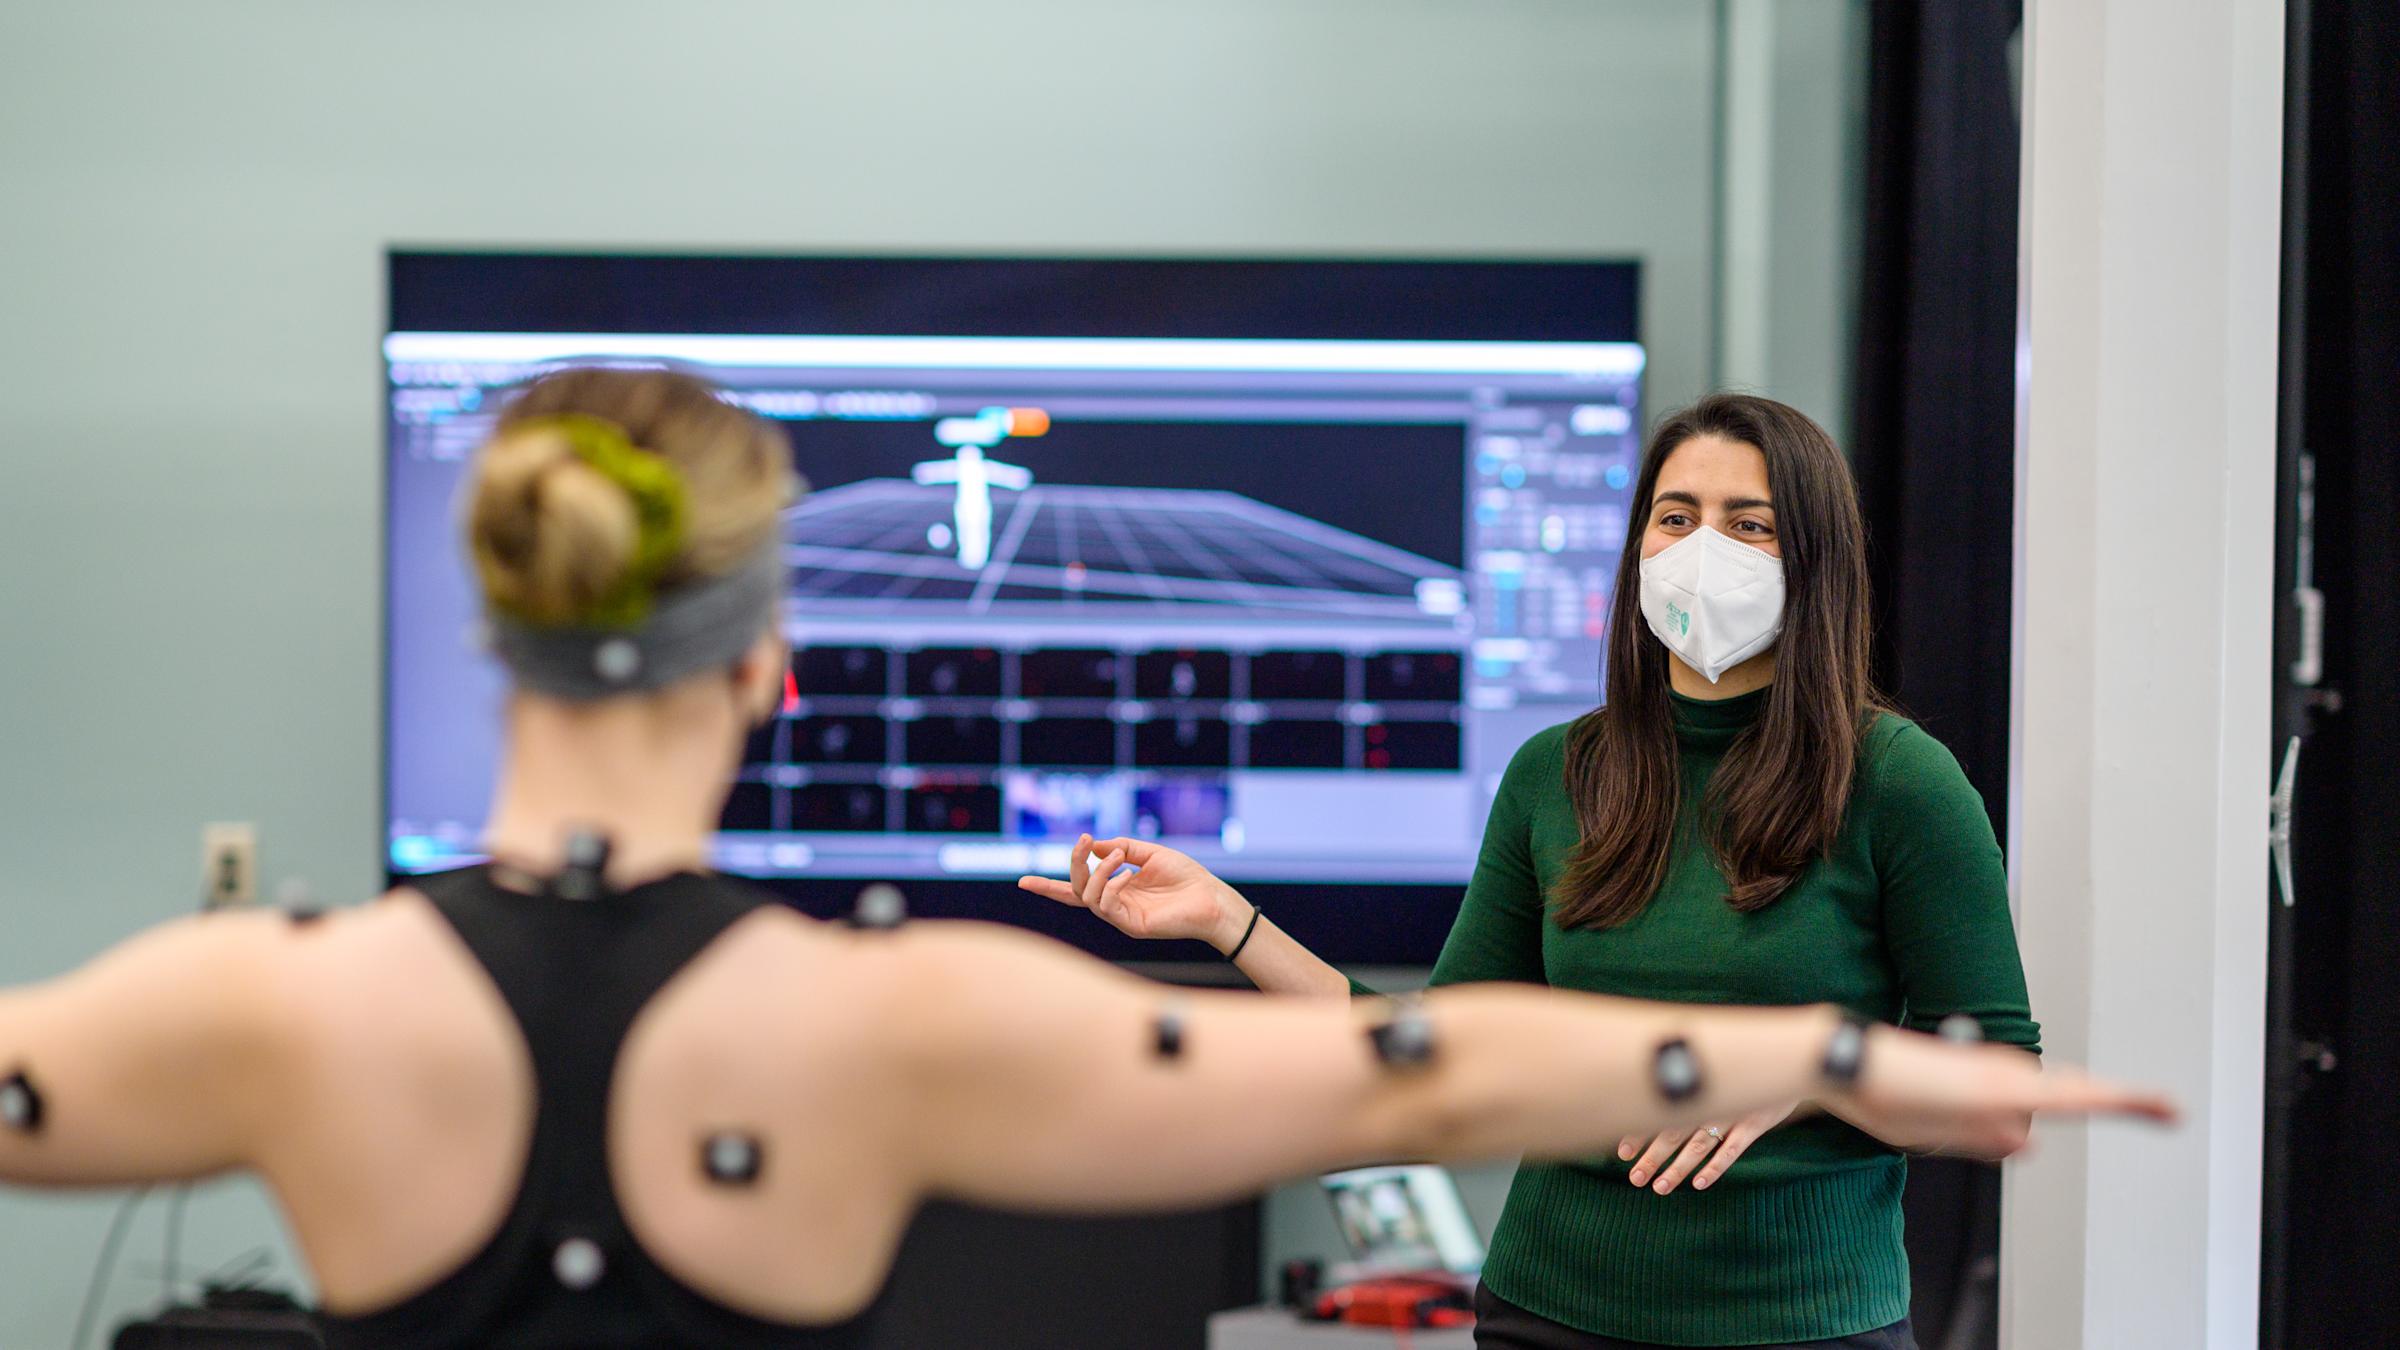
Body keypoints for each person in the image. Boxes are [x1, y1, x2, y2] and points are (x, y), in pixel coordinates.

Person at [0, 372, 2167, 1350]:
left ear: (494, 635)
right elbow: (1422, 1075)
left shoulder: (267, 1006)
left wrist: (1833, 1073)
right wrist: (1844, 1065)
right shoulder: (890, 1020)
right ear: (773, 668)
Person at [1026, 393, 2053, 1349]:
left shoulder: (1898, 782)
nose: (1703, 551)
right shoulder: (1557, 772)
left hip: (1806, 1325)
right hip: (1548, 1315)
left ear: (1817, 559)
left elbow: (2000, 1095)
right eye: (1675, 516)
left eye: (1750, 525)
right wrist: (1227, 919)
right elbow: (1426, 1056)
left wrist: (1814, 1074)